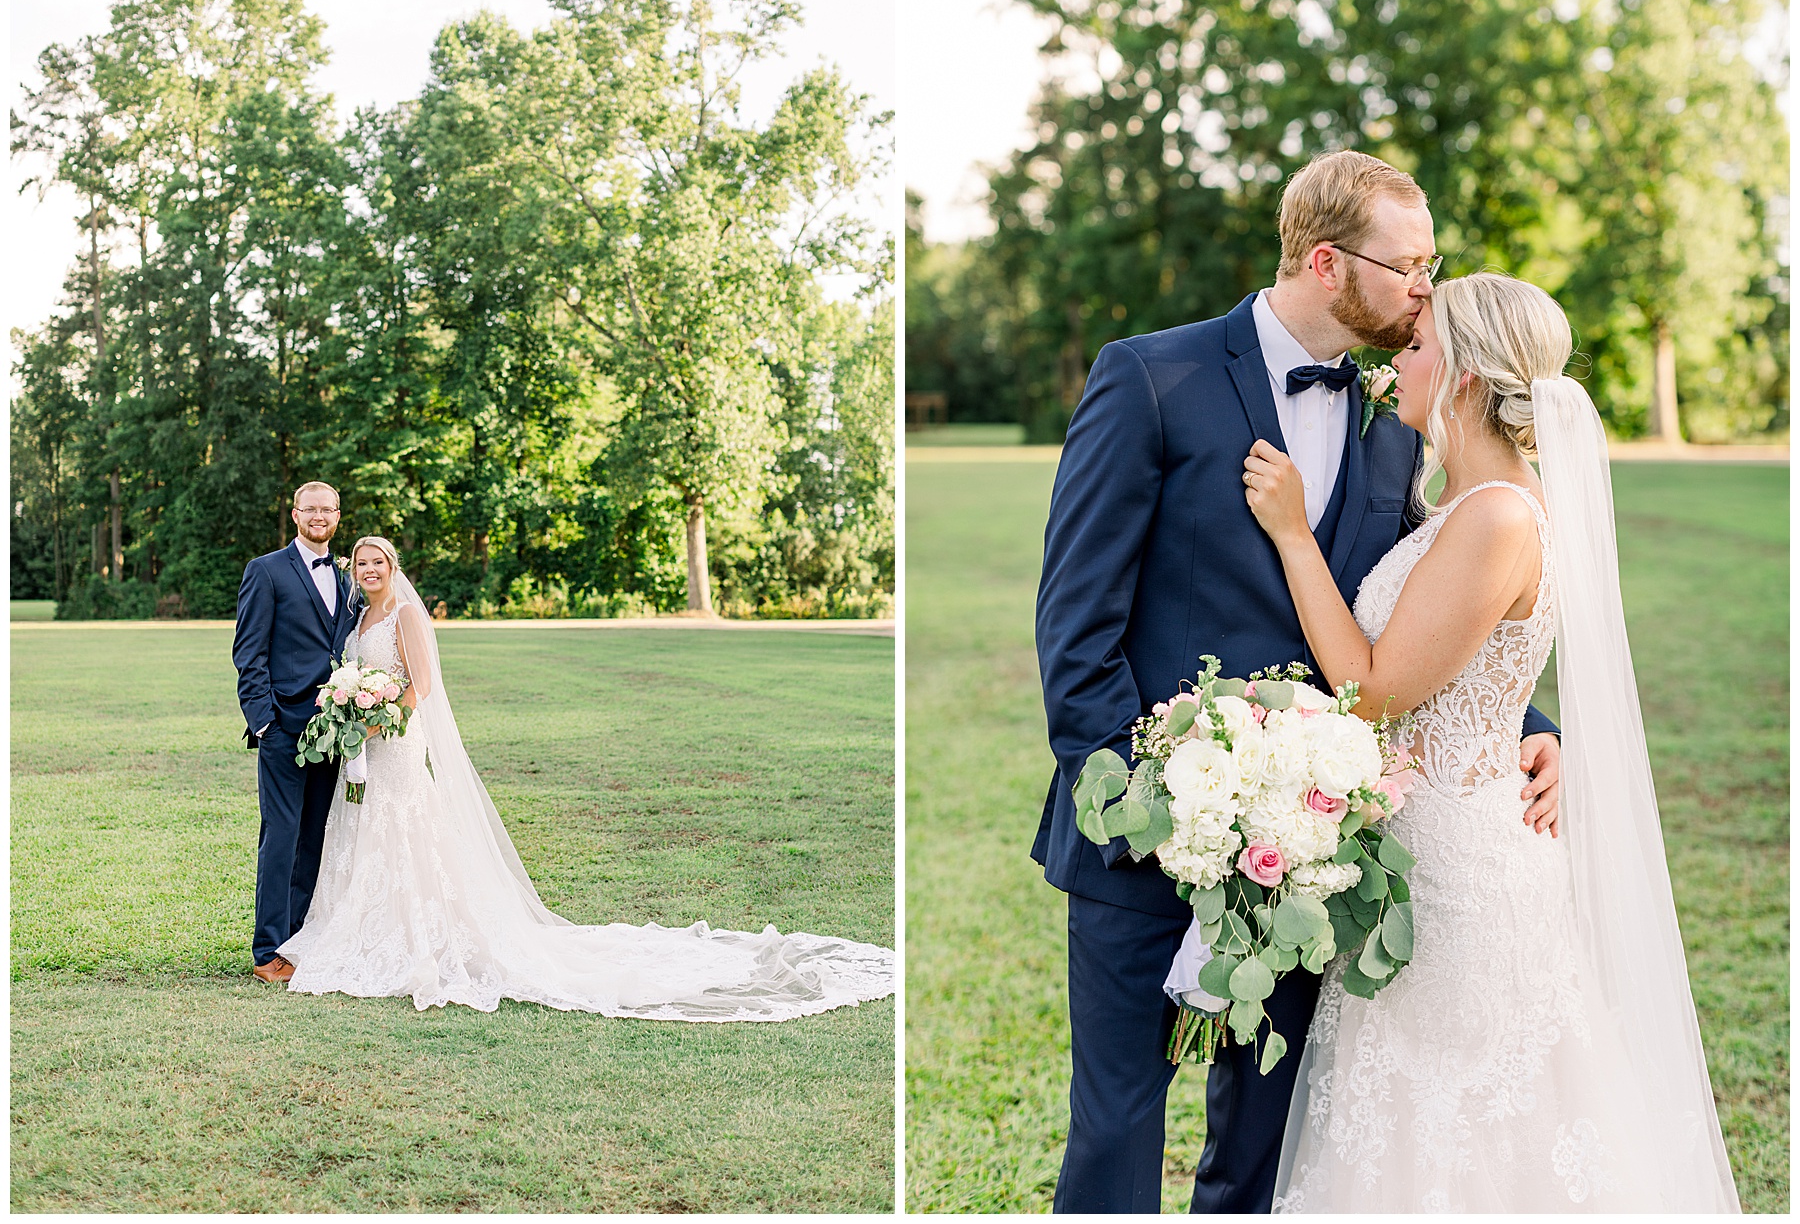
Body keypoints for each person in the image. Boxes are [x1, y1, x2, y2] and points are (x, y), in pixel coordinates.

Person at [1033, 150, 1562, 1212]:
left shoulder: (1389, 431)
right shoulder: (1151, 376)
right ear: (1328, 261)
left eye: (1432, 265)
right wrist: (1150, 807)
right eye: (1407, 264)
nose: (1426, 287)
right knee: (1118, 1132)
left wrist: (1529, 722)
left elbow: (1438, 607)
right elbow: (1074, 625)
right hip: (1148, 837)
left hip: (1316, 845)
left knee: (1269, 1146)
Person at [1248, 273, 1738, 1211]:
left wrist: (1292, 534)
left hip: (1460, 882)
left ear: (1465, 374)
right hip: (1425, 858)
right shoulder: (1468, 503)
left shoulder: (1501, 515)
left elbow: (1376, 689)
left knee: (1466, 1139)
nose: (1401, 357)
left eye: (1420, 342)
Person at [277, 535, 895, 1020]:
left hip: (397, 747)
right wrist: (349, 711)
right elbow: (356, 678)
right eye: (361, 562)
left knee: (410, 835)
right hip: (364, 752)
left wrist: (380, 719)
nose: (368, 569)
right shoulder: (357, 623)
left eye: (377, 560)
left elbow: (422, 688)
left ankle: (424, 939)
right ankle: (363, 931)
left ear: (393, 565)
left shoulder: (406, 615)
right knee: (363, 832)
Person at [232, 482, 360, 984]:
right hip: (283, 727)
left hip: (334, 728)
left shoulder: (348, 578)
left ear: (337, 516)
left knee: (315, 837)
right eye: (311, 509)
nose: (319, 517)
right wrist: (263, 720)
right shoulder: (265, 571)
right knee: (280, 837)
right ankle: (267, 951)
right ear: (295, 515)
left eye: (327, 510)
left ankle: (299, 939)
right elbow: (249, 651)